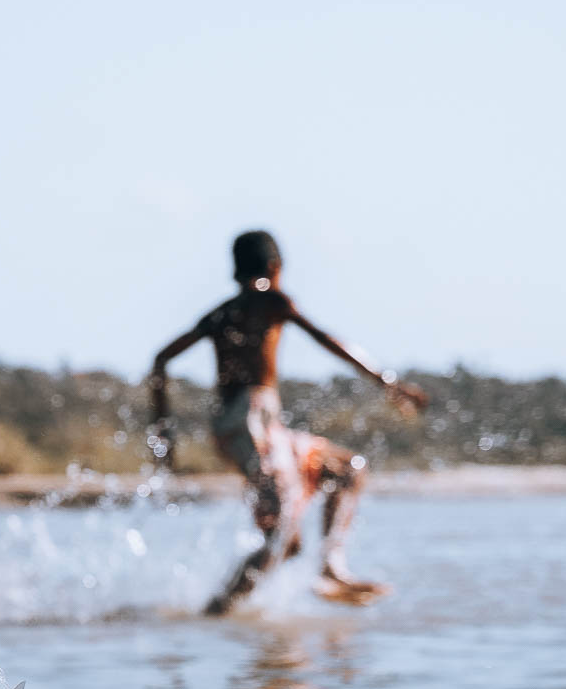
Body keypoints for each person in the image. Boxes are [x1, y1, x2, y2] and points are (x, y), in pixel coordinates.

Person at [147, 231, 428, 616]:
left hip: (244, 428)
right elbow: (327, 339)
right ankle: (216, 614)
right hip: (253, 426)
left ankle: (313, 574)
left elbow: (161, 359)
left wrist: (163, 432)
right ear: (276, 268)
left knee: (345, 472)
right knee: (283, 538)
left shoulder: (220, 314)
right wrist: (388, 383)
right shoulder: (271, 299)